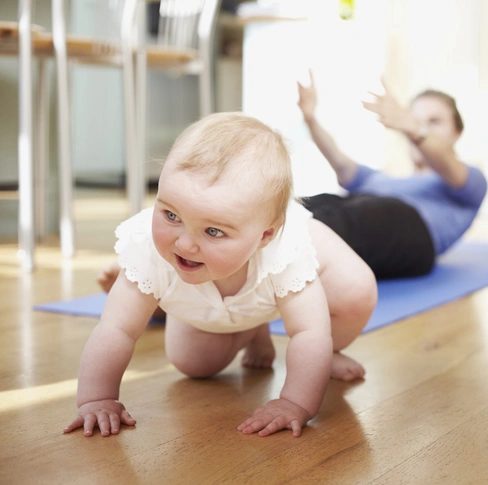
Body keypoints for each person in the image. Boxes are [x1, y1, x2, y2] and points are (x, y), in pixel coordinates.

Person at [65, 113, 377, 439]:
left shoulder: (286, 248)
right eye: (171, 214)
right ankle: (251, 330)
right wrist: (97, 398)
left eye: (213, 231)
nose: (184, 243)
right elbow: (116, 328)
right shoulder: (147, 246)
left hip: (291, 277)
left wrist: (294, 403)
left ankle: (331, 352)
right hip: (216, 291)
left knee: (356, 290)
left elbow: (309, 333)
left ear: (266, 234)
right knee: (194, 364)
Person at [297, 71, 488, 279]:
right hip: (360, 206)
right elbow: (342, 165)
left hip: (410, 229)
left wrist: (414, 127)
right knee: (303, 207)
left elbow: (450, 167)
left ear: (457, 132)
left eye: (434, 122)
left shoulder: (471, 180)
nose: (421, 128)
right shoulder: (381, 179)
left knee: (343, 221)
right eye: (416, 120)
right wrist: (310, 120)